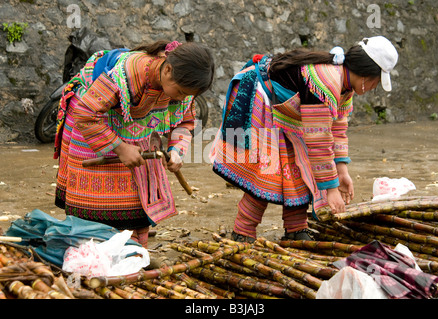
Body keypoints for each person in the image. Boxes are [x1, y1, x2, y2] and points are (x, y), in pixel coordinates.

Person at [209, 36, 398, 242]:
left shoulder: (345, 86)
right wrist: (331, 189)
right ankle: (242, 231)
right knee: (267, 174)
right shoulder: (326, 82)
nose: (373, 88)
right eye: (376, 82)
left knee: (299, 171)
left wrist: (342, 171)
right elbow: (319, 142)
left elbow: (337, 130)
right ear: (366, 75)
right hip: (261, 98)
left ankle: (296, 229)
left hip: (286, 112)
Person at [53, 40, 215, 248]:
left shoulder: (181, 86)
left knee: (136, 195)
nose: (182, 98)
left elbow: (185, 120)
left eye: (187, 95)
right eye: (181, 93)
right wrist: (120, 148)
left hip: (137, 130)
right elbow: (85, 114)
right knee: (99, 202)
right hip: (94, 123)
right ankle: (95, 253)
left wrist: (177, 151)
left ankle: (135, 249)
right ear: (167, 70)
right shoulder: (126, 75)